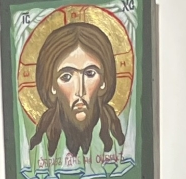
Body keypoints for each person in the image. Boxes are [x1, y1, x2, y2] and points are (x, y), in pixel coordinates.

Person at [26, 22, 125, 162]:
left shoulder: (120, 146)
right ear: (52, 86)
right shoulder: (39, 151)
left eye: (90, 73)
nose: (80, 91)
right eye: (66, 77)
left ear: (104, 82)